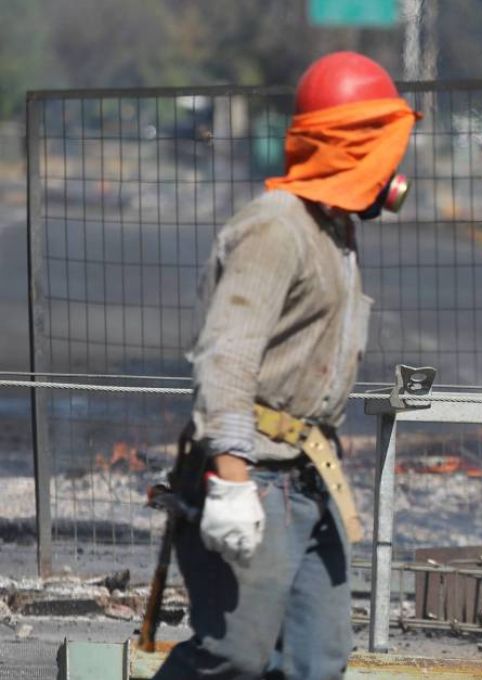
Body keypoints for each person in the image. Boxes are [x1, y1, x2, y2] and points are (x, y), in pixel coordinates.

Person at [154, 52, 418, 680]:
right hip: (256, 479)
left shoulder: (335, 229)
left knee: (315, 659)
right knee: (234, 656)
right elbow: (229, 356)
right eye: (383, 143)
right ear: (351, 145)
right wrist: (231, 479)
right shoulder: (277, 228)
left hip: (306, 479)